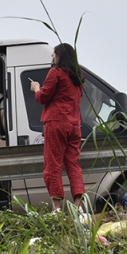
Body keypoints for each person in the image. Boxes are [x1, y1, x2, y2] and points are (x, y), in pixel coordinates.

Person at [30, 43, 86, 210]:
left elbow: (43, 98)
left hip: (56, 123)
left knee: (53, 165)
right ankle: (79, 207)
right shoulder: (78, 78)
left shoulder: (55, 73)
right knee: (73, 165)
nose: (52, 58)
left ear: (60, 56)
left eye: (54, 55)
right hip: (74, 125)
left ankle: (57, 208)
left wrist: (36, 88)